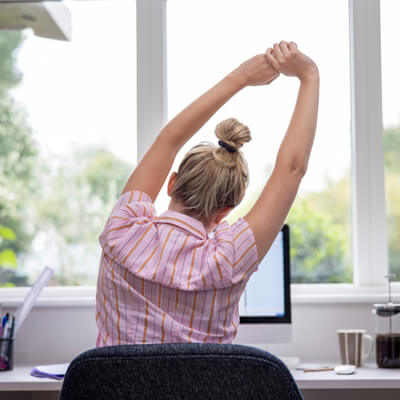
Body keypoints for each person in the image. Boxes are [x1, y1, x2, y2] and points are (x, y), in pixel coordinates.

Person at [95, 41, 319, 346]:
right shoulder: (228, 258)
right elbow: (291, 170)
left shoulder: (123, 228)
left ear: (171, 183)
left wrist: (240, 78)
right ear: (226, 209)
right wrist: (309, 75)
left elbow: (167, 142)